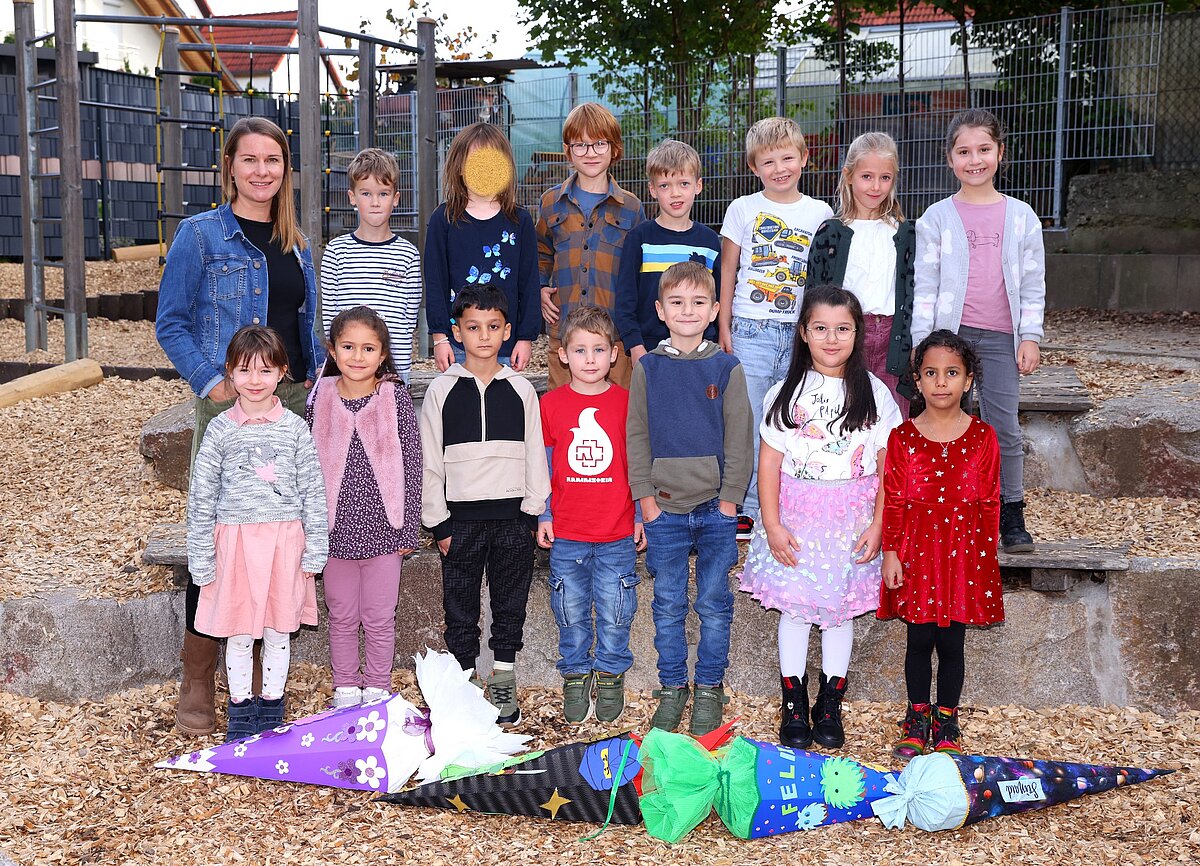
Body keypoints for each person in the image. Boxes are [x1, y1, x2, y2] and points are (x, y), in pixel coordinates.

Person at [156, 116, 325, 736]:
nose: (261, 171)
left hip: (289, 402)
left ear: (286, 169)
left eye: (272, 160)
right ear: (229, 166)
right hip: (230, 404)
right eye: (249, 159)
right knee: (222, 534)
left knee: (279, 536)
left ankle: (261, 680)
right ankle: (199, 678)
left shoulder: (298, 243)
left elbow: (306, 324)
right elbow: (170, 321)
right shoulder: (200, 236)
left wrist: (317, 383)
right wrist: (212, 381)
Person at [738, 286, 902, 750]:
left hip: (851, 519)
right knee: (794, 610)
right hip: (798, 518)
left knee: (838, 612)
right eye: (821, 328)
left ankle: (830, 703)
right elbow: (768, 464)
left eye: (843, 329)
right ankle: (794, 701)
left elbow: (888, 467)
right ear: (804, 333)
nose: (832, 338)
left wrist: (879, 524)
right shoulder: (785, 393)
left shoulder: (875, 394)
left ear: (858, 333)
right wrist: (772, 525)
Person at [626, 261, 754, 736]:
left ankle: (709, 688)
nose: (687, 311)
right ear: (660, 310)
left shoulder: (726, 367)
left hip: (715, 511)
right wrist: (646, 501)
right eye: (676, 302)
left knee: (715, 605)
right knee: (668, 605)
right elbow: (636, 435)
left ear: (715, 310)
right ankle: (673, 686)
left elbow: (739, 437)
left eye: (698, 302)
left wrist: (730, 500)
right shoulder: (648, 368)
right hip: (665, 510)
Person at [186, 326, 328, 742]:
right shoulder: (220, 430)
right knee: (239, 631)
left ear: (282, 372)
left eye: (265, 370)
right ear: (230, 372)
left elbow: (313, 490)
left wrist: (315, 549)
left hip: (284, 544)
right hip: (236, 545)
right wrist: (201, 557)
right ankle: (241, 710)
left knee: (278, 632)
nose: (254, 380)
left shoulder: (295, 428)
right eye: (244, 370)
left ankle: (271, 708)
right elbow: (202, 496)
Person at [912, 109, 1045, 552]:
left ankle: (1011, 513)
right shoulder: (936, 218)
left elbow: (1032, 283)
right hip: (952, 339)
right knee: (948, 423)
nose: (975, 160)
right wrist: (923, 344)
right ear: (950, 158)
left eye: (984, 149)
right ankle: (952, 508)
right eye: (964, 152)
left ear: (1000, 153)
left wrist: (1030, 336)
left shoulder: (1022, 217)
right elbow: (926, 285)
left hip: (1003, 338)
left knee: (1004, 427)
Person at [420, 286, 551, 726]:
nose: (484, 336)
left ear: (507, 331)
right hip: (460, 523)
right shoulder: (441, 390)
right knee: (460, 606)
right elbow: (429, 460)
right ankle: (464, 681)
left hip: (512, 520)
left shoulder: (521, 390)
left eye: (493, 327)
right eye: (473, 327)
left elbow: (535, 454)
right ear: (457, 332)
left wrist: (531, 511)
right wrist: (439, 524)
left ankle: (504, 677)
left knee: (509, 603)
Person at [878, 329, 1002, 758]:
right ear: (918, 379)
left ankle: (947, 719)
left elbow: (990, 501)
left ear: (968, 380)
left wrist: (984, 560)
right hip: (917, 553)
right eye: (931, 373)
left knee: (952, 643)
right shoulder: (903, 437)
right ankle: (916, 717)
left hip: (963, 555)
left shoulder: (983, 437)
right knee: (919, 639)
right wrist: (890, 552)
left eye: (952, 372)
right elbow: (893, 499)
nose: (941, 382)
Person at [718, 116, 834, 541]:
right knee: (750, 421)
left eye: (787, 158)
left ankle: (788, 503)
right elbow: (727, 270)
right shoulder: (743, 209)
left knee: (793, 417)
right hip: (751, 329)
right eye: (768, 162)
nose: (779, 168)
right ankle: (748, 505)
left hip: (800, 331)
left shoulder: (820, 213)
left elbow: (825, 276)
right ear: (754, 167)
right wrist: (724, 324)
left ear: (804, 158)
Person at [307, 306, 422, 708]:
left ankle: (376, 686)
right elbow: (306, 465)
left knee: (379, 614)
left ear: (383, 354)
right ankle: (344, 686)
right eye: (348, 347)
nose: (358, 356)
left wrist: (408, 526)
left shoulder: (395, 397)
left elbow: (412, 462)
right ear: (333, 351)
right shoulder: (320, 397)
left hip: (384, 529)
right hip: (334, 530)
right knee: (340, 612)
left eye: (368, 348)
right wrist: (309, 527)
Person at [537, 306, 644, 725]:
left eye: (599, 349)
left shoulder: (627, 404)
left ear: (614, 354)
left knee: (617, 608)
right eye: (580, 350)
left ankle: (612, 672)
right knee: (570, 607)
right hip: (568, 531)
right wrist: (544, 513)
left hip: (616, 530)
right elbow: (544, 465)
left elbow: (638, 464)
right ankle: (576, 673)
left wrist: (640, 515)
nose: (590, 359)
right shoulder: (550, 405)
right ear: (563, 354)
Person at [537, 102, 645, 389]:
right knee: (563, 410)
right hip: (565, 335)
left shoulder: (631, 208)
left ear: (614, 148)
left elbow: (640, 271)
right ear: (568, 150)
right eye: (580, 145)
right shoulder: (551, 202)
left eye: (599, 143)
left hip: (615, 338)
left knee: (618, 411)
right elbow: (541, 251)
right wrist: (540, 287)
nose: (590, 152)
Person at [808, 131, 915, 416]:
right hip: (846, 336)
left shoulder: (904, 232)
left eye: (885, 177)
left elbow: (914, 290)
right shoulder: (831, 232)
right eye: (867, 176)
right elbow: (814, 296)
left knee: (892, 419)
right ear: (849, 176)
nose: (876, 186)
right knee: (845, 416)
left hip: (893, 339)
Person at [424, 123, 540, 374]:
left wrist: (526, 337)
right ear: (459, 167)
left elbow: (530, 283)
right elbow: (435, 283)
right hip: (458, 345)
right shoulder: (443, 219)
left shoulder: (520, 221)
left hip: (505, 347)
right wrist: (440, 337)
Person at [614, 138, 721, 363]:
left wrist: (716, 343)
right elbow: (625, 300)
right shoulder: (639, 239)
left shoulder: (709, 241)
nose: (675, 193)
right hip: (650, 351)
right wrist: (635, 346)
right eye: (665, 186)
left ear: (698, 186)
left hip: (701, 351)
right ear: (652, 190)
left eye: (684, 184)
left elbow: (716, 298)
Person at [320, 148, 422, 382]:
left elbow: (409, 320)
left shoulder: (407, 254)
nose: (375, 202)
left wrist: (398, 369)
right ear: (352, 197)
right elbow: (330, 320)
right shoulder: (336, 252)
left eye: (383, 194)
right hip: (348, 371)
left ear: (396, 198)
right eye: (366, 193)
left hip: (391, 374)